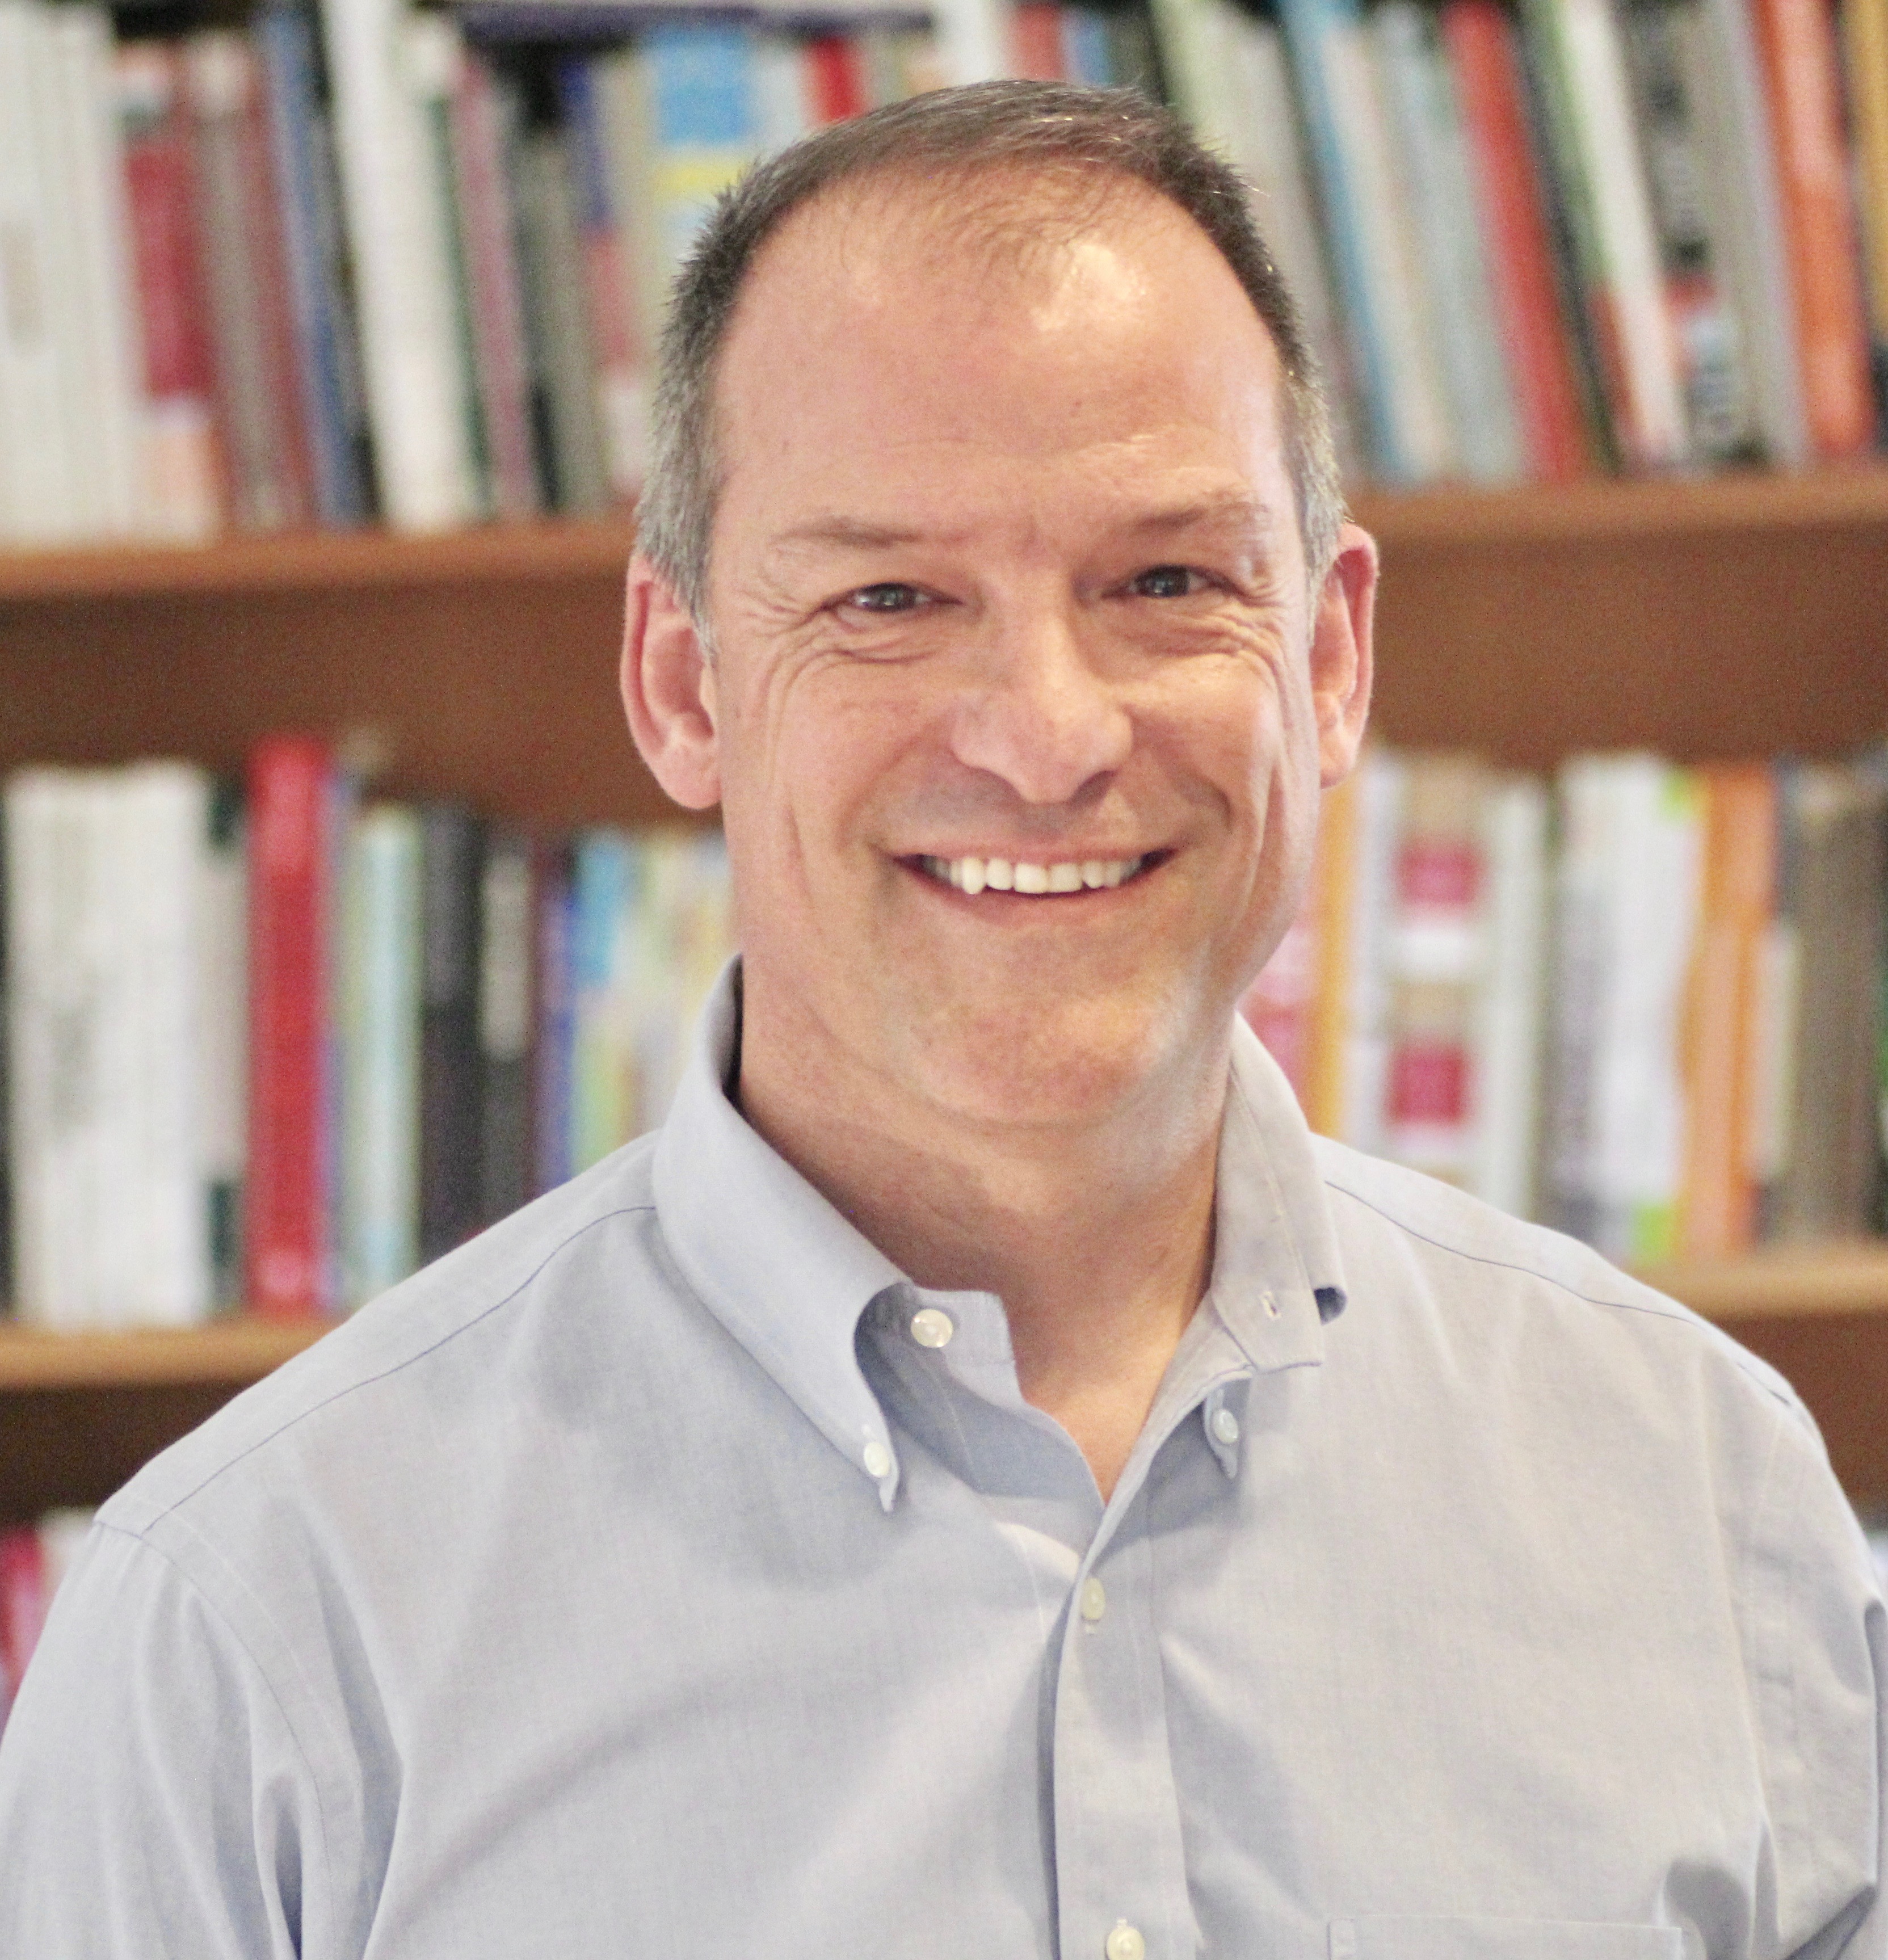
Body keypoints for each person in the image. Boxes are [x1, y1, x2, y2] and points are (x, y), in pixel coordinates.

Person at [1, 81, 1881, 1959]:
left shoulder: (1706, 1500)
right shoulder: (255, 1630)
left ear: (1328, 659)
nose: (1047, 736)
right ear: (683, 684)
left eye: (1166, 581)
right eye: (890, 597)